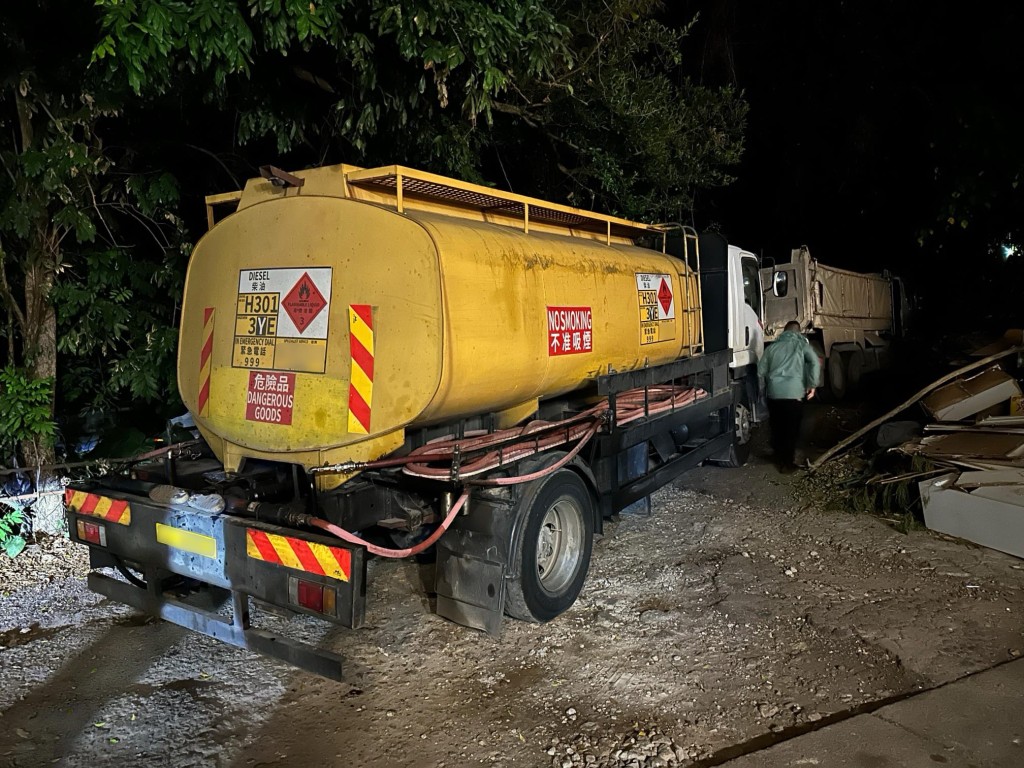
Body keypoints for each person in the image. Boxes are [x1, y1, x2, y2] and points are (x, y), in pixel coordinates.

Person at [757, 320, 820, 472]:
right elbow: (814, 363)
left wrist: (764, 389)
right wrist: (812, 384)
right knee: (791, 430)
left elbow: (760, 371)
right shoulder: (802, 346)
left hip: (774, 394)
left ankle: (778, 455)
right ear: (798, 332)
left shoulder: (772, 348)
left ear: (784, 332)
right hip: (794, 395)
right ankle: (787, 464)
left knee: (777, 426)